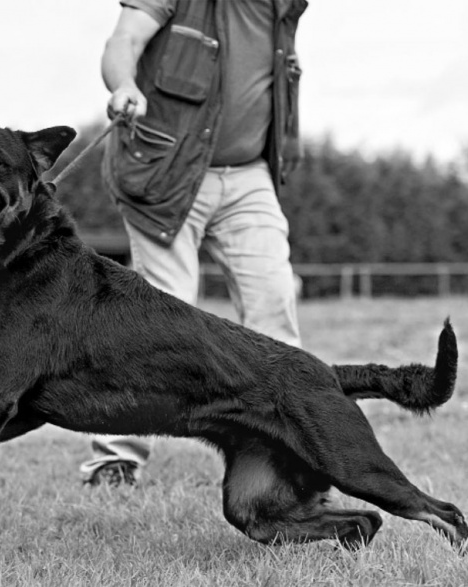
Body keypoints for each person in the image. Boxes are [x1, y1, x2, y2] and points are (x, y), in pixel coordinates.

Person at [81, 0, 308, 487]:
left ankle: (286, 456)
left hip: (250, 176)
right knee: (158, 319)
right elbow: (123, 41)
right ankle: (116, 458)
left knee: (274, 303)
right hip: (167, 171)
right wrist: (123, 83)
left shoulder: (284, 7)